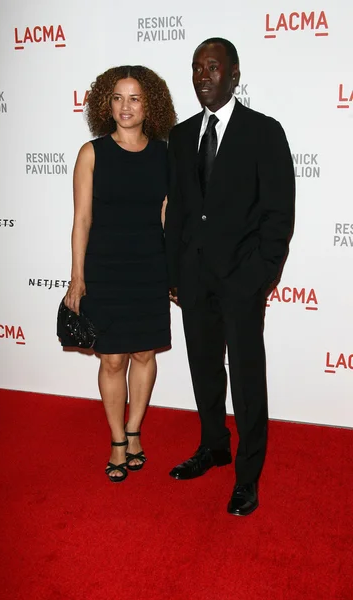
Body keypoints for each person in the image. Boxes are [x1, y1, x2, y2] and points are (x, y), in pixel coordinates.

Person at [165, 38, 295, 515]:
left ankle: (247, 475)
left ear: (234, 75)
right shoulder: (180, 138)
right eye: (197, 67)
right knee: (203, 369)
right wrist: (172, 274)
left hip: (242, 281)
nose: (203, 75)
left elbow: (279, 214)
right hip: (193, 281)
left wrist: (259, 275)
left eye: (213, 67)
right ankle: (214, 446)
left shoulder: (264, 132)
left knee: (245, 377)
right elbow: (177, 211)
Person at [65, 65, 176, 483]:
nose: (125, 106)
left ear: (150, 105)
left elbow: (168, 216)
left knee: (145, 353)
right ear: (105, 104)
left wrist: (175, 270)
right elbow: (81, 220)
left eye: (134, 98)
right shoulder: (91, 153)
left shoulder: (166, 154)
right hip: (106, 268)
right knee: (112, 358)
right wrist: (78, 278)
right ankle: (116, 440)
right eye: (117, 98)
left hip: (150, 266)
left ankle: (134, 433)